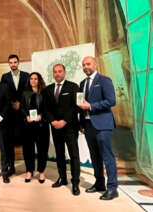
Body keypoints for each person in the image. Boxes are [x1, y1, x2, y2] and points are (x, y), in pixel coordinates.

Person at [78, 56, 118, 200]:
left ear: (95, 64)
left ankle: (113, 188)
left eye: (88, 64)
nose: (85, 67)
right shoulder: (82, 83)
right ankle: (100, 183)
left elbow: (111, 101)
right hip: (88, 126)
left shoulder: (104, 80)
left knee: (107, 157)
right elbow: (81, 105)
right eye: (83, 65)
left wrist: (91, 106)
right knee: (94, 157)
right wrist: (81, 123)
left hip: (103, 125)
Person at [43, 64, 81, 195]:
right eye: (55, 72)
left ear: (64, 72)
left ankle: (75, 183)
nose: (57, 74)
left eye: (60, 71)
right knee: (59, 154)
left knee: (74, 155)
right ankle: (62, 178)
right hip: (55, 127)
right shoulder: (48, 89)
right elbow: (46, 108)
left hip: (70, 127)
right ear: (53, 74)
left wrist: (64, 121)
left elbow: (76, 107)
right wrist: (53, 121)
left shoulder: (74, 87)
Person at [0, 54, 29, 175]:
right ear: (9, 64)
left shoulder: (26, 75)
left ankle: (29, 167)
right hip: (10, 114)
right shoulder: (5, 77)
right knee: (9, 141)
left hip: (23, 113)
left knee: (26, 140)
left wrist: (20, 104)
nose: (13, 64)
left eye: (15, 62)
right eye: (11, 62)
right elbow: (3, 94)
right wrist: (12, 103)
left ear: (18, 62)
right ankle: (11, 166)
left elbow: (28, 93)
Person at [20, 72, 50, 183]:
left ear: (39, 80)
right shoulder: (24, 93)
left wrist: (41, 116)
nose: (33, 81)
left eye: (36, 79)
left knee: (42, 149)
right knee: (28, 150)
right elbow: (22, 108)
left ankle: (41, 171)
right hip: (28, 126)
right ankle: (29, 170)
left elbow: (48, 108)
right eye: (31, 79)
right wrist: (26, 116)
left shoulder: (45, 93)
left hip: (41, 126)